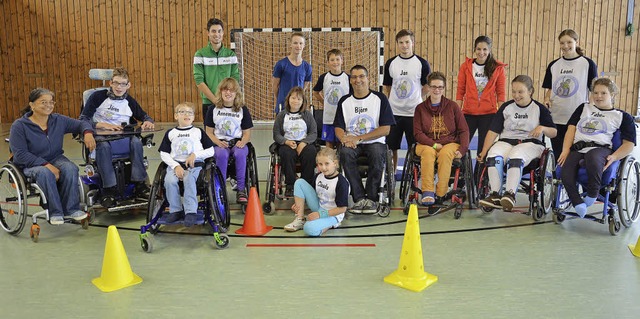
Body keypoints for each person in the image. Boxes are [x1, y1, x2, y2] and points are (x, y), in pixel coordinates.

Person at [10, 88, 96, 225]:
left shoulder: (58, 120)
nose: (48, 105)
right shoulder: (19, 126)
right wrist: (46, 165)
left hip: (55, 158)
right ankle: (55, 212)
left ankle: (71, 209)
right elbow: (20, 155)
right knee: (45, 173)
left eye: (51, 102)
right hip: (31, 163)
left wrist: (87, 133)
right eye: (43, 102)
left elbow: (82, 123)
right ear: (32, 105)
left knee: (70, 168)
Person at [557, 78, 636, 218]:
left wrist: (615, 157)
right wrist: (565, 150)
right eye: (596, 92)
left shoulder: (622, 116)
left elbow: (629, 144)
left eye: (603, 93)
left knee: (592, 157)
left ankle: (593, 193)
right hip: (578, 147)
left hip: (601, 149)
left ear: (612, 94)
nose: (598, 96)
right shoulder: (583, 108)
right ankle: (577, 202)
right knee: (565, 170)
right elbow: (571, 129)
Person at [477, 75, 557, 211]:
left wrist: (542, 128)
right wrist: (484, 151)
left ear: (530, 91)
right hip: (506, 141)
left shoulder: (539, 109)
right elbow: (493, 131)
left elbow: (554, 132)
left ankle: (510, 194)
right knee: (493, 155)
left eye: (520, 92)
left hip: (530, 143)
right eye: (514, 91)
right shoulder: (506, 108)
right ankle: (495, 194)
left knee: (516, 155)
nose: (516, 95)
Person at [80, 67, 154, 208]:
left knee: (136, 142)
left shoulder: (129, 101)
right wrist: (101, 124)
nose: (119, 87)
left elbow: (144, 116)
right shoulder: (97, 97)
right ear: (110, 83)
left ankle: (140, 185)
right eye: (116, 83)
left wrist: (148, 121)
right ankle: (109, 190)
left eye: (123, 84)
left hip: (123, 137)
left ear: (128, 85)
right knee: (104, 145)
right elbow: (83, 118)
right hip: (102, 137)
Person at [334, 65, 395, 214]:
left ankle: (372, 199)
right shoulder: (344, 101)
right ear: (350, 81)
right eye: (354, 77)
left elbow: (385, 129)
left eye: (361, 76)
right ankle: (359, 198)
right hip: (351, 143)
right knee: (345, 153)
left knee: (376, 152)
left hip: (374, 141)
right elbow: (338, 127)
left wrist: (359, 138)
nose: (358, 80)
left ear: (368, 78)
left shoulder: (379, 99)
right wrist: (344, 139)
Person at [413, 71, 470, 206]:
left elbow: (464, 130)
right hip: (426, 143)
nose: (436, 90)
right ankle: (427, 191)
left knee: (445, 154)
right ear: (428, 88)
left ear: (444, 88)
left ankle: (440, 193)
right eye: (433, 87)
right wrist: (433, 144)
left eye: (440, 87)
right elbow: (417, 133)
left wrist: (462, 149)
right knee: (428, 152)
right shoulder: (420, 108)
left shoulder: (453, 106)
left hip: (449, 143)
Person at [542, 29, 598, 159]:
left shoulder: (588, 64)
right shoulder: (554, 65)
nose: (565, 46)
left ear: (576, 42)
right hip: (557, 114)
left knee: (573, 152)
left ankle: (570, 177)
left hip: (577, 115)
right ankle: (557, 177)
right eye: (562, 43)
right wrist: (546, 99)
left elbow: (593, 89)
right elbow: (550, 88)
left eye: (569, 42)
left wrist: (591, 108)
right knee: (558, 151)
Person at [158, 102, 215, 227]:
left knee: (188, 178)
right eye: (182, 112)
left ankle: (191, 212)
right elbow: (163, 153)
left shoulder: (198, 132)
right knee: (169, 181)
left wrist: (196, 155)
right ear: (176, 116)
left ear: (194, 117)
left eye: (190, 112)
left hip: (195, 165)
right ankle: (176, 210)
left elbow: (211, 150)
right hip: (176, 165)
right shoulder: (171, 133)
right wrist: (175, 166)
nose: (186, 114)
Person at [383, 29, 431, 169]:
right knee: (391, 147)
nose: (404, 45)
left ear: (413, 43)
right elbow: (388, 86)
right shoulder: (391, 63)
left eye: (407, 42)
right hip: (394, 114)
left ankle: (414, 177)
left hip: (414, 113)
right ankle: (391, 174)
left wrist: (415, 97)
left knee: (414, 148)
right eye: (401, 42)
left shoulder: (422, 63)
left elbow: (427, 86)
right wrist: (398, 99)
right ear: (397, 44)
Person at [456, 35, 507, 156]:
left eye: (485, 49)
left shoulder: (498, 68)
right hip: (468, 113)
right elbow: (460, 90)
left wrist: (501, 113)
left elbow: (501, 93)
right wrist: (457, 110)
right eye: (478, 49)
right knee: (462, 145)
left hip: (488, 114)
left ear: (489, 50)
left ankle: (480, 174)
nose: (481, 52)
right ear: (474, 49)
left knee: (484, 149)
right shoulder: (466, 66)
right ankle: (462, 173)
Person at [204, 77, 253, 203]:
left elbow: (247, 133)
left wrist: (243, 141)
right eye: (225, 90)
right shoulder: (213, 109)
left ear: (236, 93)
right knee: (221, 154)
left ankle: (241, 190)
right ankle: (220, 189)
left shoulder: (242, 109)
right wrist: (217, 142)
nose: (228, 93)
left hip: (236, 142)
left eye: (231, 90)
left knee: (240, 153)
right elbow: (208, 132)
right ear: (220, 92)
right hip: (219, 142)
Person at [285, 148, 349, 236]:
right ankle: (300, 219)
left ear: (335, 163)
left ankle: (331, 224)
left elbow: (342, 209)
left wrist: (320, 215)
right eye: (320, 164)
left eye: (327, 164)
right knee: (299, 182)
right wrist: (298, 205)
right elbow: (311, 194)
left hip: (333, 214)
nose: (323, 167)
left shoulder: (341, 182)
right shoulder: (319, 176)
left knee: (309, 228)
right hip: (319, 206)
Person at [273, 87, 318, 197]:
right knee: (286, 153)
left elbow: (313, 133)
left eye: (299, 99)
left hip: (304, 143)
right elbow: (276, 134)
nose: (295, 101)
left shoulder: (307, 115)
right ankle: (291, 186)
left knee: (311, 152)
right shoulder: (282, 115)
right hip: (287, 143)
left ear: (303, 101)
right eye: (293, 98)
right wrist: (286, 141)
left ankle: (307, 186)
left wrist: (304, 143)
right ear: (288, 99)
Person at [193, 18, 240, 121]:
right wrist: (215, 100)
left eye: (219, 31)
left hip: (228, 103)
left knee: (228, 135)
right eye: (213, 31)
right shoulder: (200, 55)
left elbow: (235, 78)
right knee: (210, 135)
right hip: (209, 103)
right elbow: (199, 81)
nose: (216, 34)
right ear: (208, 33)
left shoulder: (231, 55)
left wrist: (227, 98)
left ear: (223, 33)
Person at [312, 49, 351, 149]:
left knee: (340, 143)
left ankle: (338, 164)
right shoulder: (324, 77)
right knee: (329, 143)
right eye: (332, 60)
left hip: (343, 118)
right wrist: (324, 102)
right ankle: (329, 163)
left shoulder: (347, 78)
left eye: (337, 59)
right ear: (328, 62)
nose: (335, 62)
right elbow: (316, 92)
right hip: (329, 117)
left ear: (342, 60)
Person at [271, 32, 312, 114]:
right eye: (295, 43)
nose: (298, 46)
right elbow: (275, 86)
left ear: (304, 45)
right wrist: (281, 99)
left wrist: (297, 98)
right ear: (291, 45)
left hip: (298, 107)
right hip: (283, 106)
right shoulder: (281, 64)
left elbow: (305, 86)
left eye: (301, 43)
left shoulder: (307, 67)